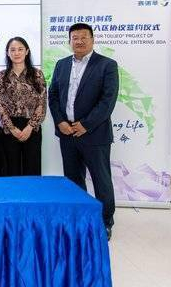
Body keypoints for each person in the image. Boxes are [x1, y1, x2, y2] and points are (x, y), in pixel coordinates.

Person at [48, 22, 119, 240]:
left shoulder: (107, 65)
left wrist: (86, 124)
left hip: (94, 134)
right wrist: (60, 121)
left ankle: (105, 221)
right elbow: (53, 95)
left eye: (83, 37)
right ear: (69, 41)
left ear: (92, 39)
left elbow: (108, 100)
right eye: (75, 38)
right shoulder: (61, 65)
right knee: (73, 179)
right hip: (67, 133)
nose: (79, 41)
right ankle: (79, 219)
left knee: (101, 180)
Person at [0, 37, 46, 176]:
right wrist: (12, 128)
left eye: (20, 49)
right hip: (10, 128)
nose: (16, 53)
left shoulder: (37, 74)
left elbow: (41, 102)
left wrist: (30, 127)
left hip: (32, 127)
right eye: (12, 50)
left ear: (27, 51)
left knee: (32, 169)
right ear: (7, 53)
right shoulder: (1, 76)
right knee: (12, 170)